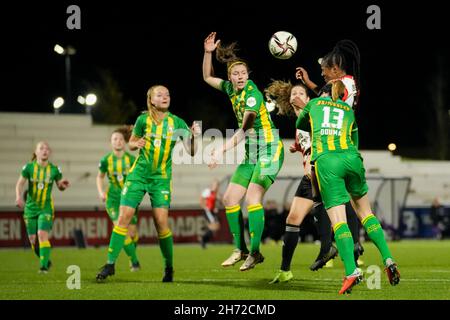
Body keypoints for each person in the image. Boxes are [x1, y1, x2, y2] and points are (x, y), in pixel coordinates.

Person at [296, 80, 400, 294]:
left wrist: (301, 107)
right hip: (352, 160)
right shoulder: (348, 111)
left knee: (338, 220)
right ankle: (388, 258)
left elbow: (301, 125)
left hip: (328, 161)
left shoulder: (314, 103)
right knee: (366, 214)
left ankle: (352, 271)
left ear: (323, 92)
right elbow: (355, 142)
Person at [96, 85, 201, 282]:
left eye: (167, 94)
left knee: (161, 223)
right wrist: (136, 143)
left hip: (160, 179)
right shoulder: (143, 120)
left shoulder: (177, 122)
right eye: (159, 94)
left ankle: (169, 267)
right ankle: (110, 264)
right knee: (123, 218)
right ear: (151, 100)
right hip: (138, 176)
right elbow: (131, 143)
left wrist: (194, 136)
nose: (165, 97)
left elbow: (192, 151)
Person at [203, 32, 284, 271]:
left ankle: (256, 252)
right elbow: (207, 76)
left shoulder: (252, 95)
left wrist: (220, 151)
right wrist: (208, 53)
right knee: (229, 199)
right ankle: (240, 249)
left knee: (253, 198)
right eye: (235, 74)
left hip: (270, 150)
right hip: (252, 155)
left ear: (248, 76)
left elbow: (243, 131)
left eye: (243, 73)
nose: (239, 77)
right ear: (230, 77)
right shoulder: (230, 89)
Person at [296, 39, 365, 265]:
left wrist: (302, 106)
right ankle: (343, 244)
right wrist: (311, 84)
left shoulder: (342, 86)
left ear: (335, 68)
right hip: (343, 145)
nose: (322, 74)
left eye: (324, 70)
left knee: (327, 193)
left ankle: (333, 245)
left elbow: (325, 105)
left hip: (334, 147)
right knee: (334, 195)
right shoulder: (348, 83)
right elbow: (331, 99)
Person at [265, 81, 337, 284]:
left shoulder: (313, 113)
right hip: (308, 178)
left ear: (307, 99)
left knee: (337, 214)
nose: (296, 95)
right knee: (292, 219)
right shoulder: (299, 123)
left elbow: (323, 128)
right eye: (293, 93)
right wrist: (297, 148)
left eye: (301, 93)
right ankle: (285, 270)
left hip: (322, 173)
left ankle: (339, 252)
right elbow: (307, 144)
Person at [15, 141, 70, 273]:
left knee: (41, 234)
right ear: (36, 152)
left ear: (49, 152)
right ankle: (45, 260)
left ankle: (43, 267)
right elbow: (19, 184)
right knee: (33, 240)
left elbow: (60, 186)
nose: (45, 150)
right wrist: (18, 197)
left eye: (47, 149)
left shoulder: (54, 170)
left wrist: (63, 185)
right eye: (41, 148)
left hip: (46, 207)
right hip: (30, 208)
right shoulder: (28, 168)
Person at [96, 128, 140, 271]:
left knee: (132, 233)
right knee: (121, 229)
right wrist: (101, 192)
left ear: (125, 142)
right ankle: (134, 261)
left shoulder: (131, 160)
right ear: (111, 142)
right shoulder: (106, 160)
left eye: (120, 139)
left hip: (129, 199)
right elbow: (100, 177)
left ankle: (132, 255)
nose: (118, 141)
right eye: (115, 139)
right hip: (113, 199)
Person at [199, 179, 221, 248]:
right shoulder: (208, 191)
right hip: (208, 211)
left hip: (212, 211)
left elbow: (217, 202)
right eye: (215, 185)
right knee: (214, 226)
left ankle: (204, 237)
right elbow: (201, 200)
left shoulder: (216, 193)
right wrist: (205, 207)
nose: (216, 186)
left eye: (217, 185)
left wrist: (215, 208)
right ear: (212, 185)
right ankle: (203, 238)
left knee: (217, 227)